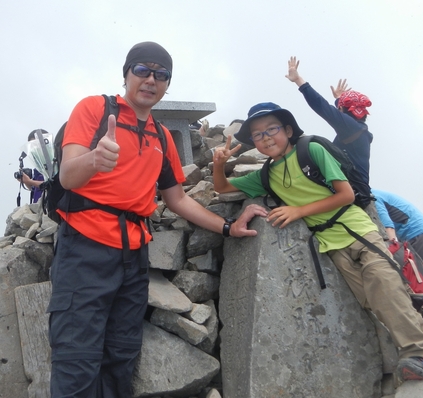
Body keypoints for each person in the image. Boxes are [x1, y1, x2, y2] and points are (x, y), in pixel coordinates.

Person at [47, 41, 268, 398]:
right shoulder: (93, 109)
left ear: (167, 83)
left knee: (121, 357)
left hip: (134, 257)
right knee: (77, 357)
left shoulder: (162, 136)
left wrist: (227, 227)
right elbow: (69, 177)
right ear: (126, 74)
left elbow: (178, 198)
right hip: (84, 248)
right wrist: (94, 160)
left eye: (161, 74)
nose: (151, 79)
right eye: (142, 70)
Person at [212, 102, 423, 382]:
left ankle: (420, 354)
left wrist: (298, 211)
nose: (266, 137)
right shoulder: (266, 175)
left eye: (271, 129)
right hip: (331, 246)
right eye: (258, 134)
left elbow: (345, 194)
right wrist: (219, 165)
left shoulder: (311, 150)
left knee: (386, 286)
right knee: (375, 301)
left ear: (287, 129)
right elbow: (222, 187)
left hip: (358, 231)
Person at [285, 56, 373, 185]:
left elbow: (321, 106)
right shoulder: (357, 129)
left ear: (342, 109)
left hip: (352, 188)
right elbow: (342, 115)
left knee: (308, 145)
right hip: (355, 186)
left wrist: (298, 80)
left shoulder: (351, 128)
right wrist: (339, 99)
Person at [372, 189, 423, 265]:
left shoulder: (373, 197)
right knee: (419, 274)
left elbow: (388, 228)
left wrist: (393, 255)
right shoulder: (377, 194)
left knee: (414, 274)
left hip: (420, 236)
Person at [16, 130, 47, 203]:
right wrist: (26, 181)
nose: (34, 148)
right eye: (31, 145)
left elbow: (51, 185)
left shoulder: (55, 163)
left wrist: (30, 181)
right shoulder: (37, 169)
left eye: (35, 144)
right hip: (38, 208)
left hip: (50, 208)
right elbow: (34, 189)